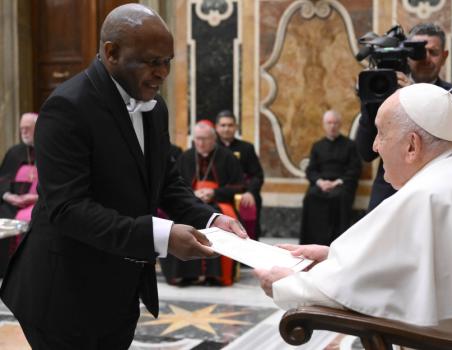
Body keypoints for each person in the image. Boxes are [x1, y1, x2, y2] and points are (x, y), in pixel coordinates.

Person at [0, 4, 246, 349]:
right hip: (62, 293)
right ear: (111, 53)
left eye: (167, 61)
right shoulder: (67, 108)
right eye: (151, 61)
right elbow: (67, 209)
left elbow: (165, 182)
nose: (163, 72)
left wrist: (210, 217)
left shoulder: (154, 108)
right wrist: (162, 236)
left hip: (120, 289)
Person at [255, 83, 452, 337]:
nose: (375, 146)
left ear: (412, 145)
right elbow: (411, 264)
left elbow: (338, 293)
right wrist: (332, 257)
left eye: (381, 133)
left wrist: (287, 282)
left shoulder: (428, 194)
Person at [356, 23, 452, 211]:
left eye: (432, 52)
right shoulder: (382, 91)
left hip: (436, 199)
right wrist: (372, 104)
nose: (425, 58)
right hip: (388, 198)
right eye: (418, 52)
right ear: (406, 55)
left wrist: (413, 95)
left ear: (444, 56)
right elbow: (366, 152)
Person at [160, 121, 245, 286]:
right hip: (188, 204)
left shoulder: (227, 157)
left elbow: (239, 185)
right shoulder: (185, 157)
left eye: (205, 139)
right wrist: (194, 194)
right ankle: (183, 274)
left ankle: (215, 275)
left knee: (220, 220)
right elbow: (176, 186)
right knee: (178, 221)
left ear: (214, 139)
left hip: (219, 203)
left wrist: (214, 193)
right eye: (198, 139)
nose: (201, 143)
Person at [299, 110, 362, 245]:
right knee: (311, 197)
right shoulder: (317, 146)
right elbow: (311, 170)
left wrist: (336, 183)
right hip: (321, 184)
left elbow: (354, 169)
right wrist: (321, 182)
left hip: (341, 184)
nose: (332, 126)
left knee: (339, 197)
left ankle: (337, 244)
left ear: (340, 125)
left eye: (335, 123)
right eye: (329, 123)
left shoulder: (350, 145)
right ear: (324, 125)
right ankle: (312, 242)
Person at [215, 110, 264, 239]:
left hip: (242, 194)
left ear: (236, 127)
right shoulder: (211, 148)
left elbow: (257, 175)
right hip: (219, 193)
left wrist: (251, 192)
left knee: (252, 201)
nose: (226, 129)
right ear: (216, 127)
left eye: (230, 125)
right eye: (223, 125)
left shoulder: (246, 148)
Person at [0, 112, 39, 277]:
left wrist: (36, 198)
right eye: (22, 128)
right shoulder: (15, 152)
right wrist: (7, 195)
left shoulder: (50, 150)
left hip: (38, 204)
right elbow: (2, 179)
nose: (24, 132)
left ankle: (27, 273)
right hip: (12, 204)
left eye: (28, 128)